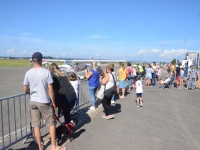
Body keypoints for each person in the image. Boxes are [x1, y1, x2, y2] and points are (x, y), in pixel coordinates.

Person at [23, 52, 66, 150]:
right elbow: (50, 90)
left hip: (33, 101)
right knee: (51, 123)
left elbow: (25, 89)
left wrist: (32, 92)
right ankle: (54, 146)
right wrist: (54, 102)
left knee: (36, 125)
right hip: (44, 101)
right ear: (41, 60)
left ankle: (40, 146)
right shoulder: (46, 72)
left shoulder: (28, 73)